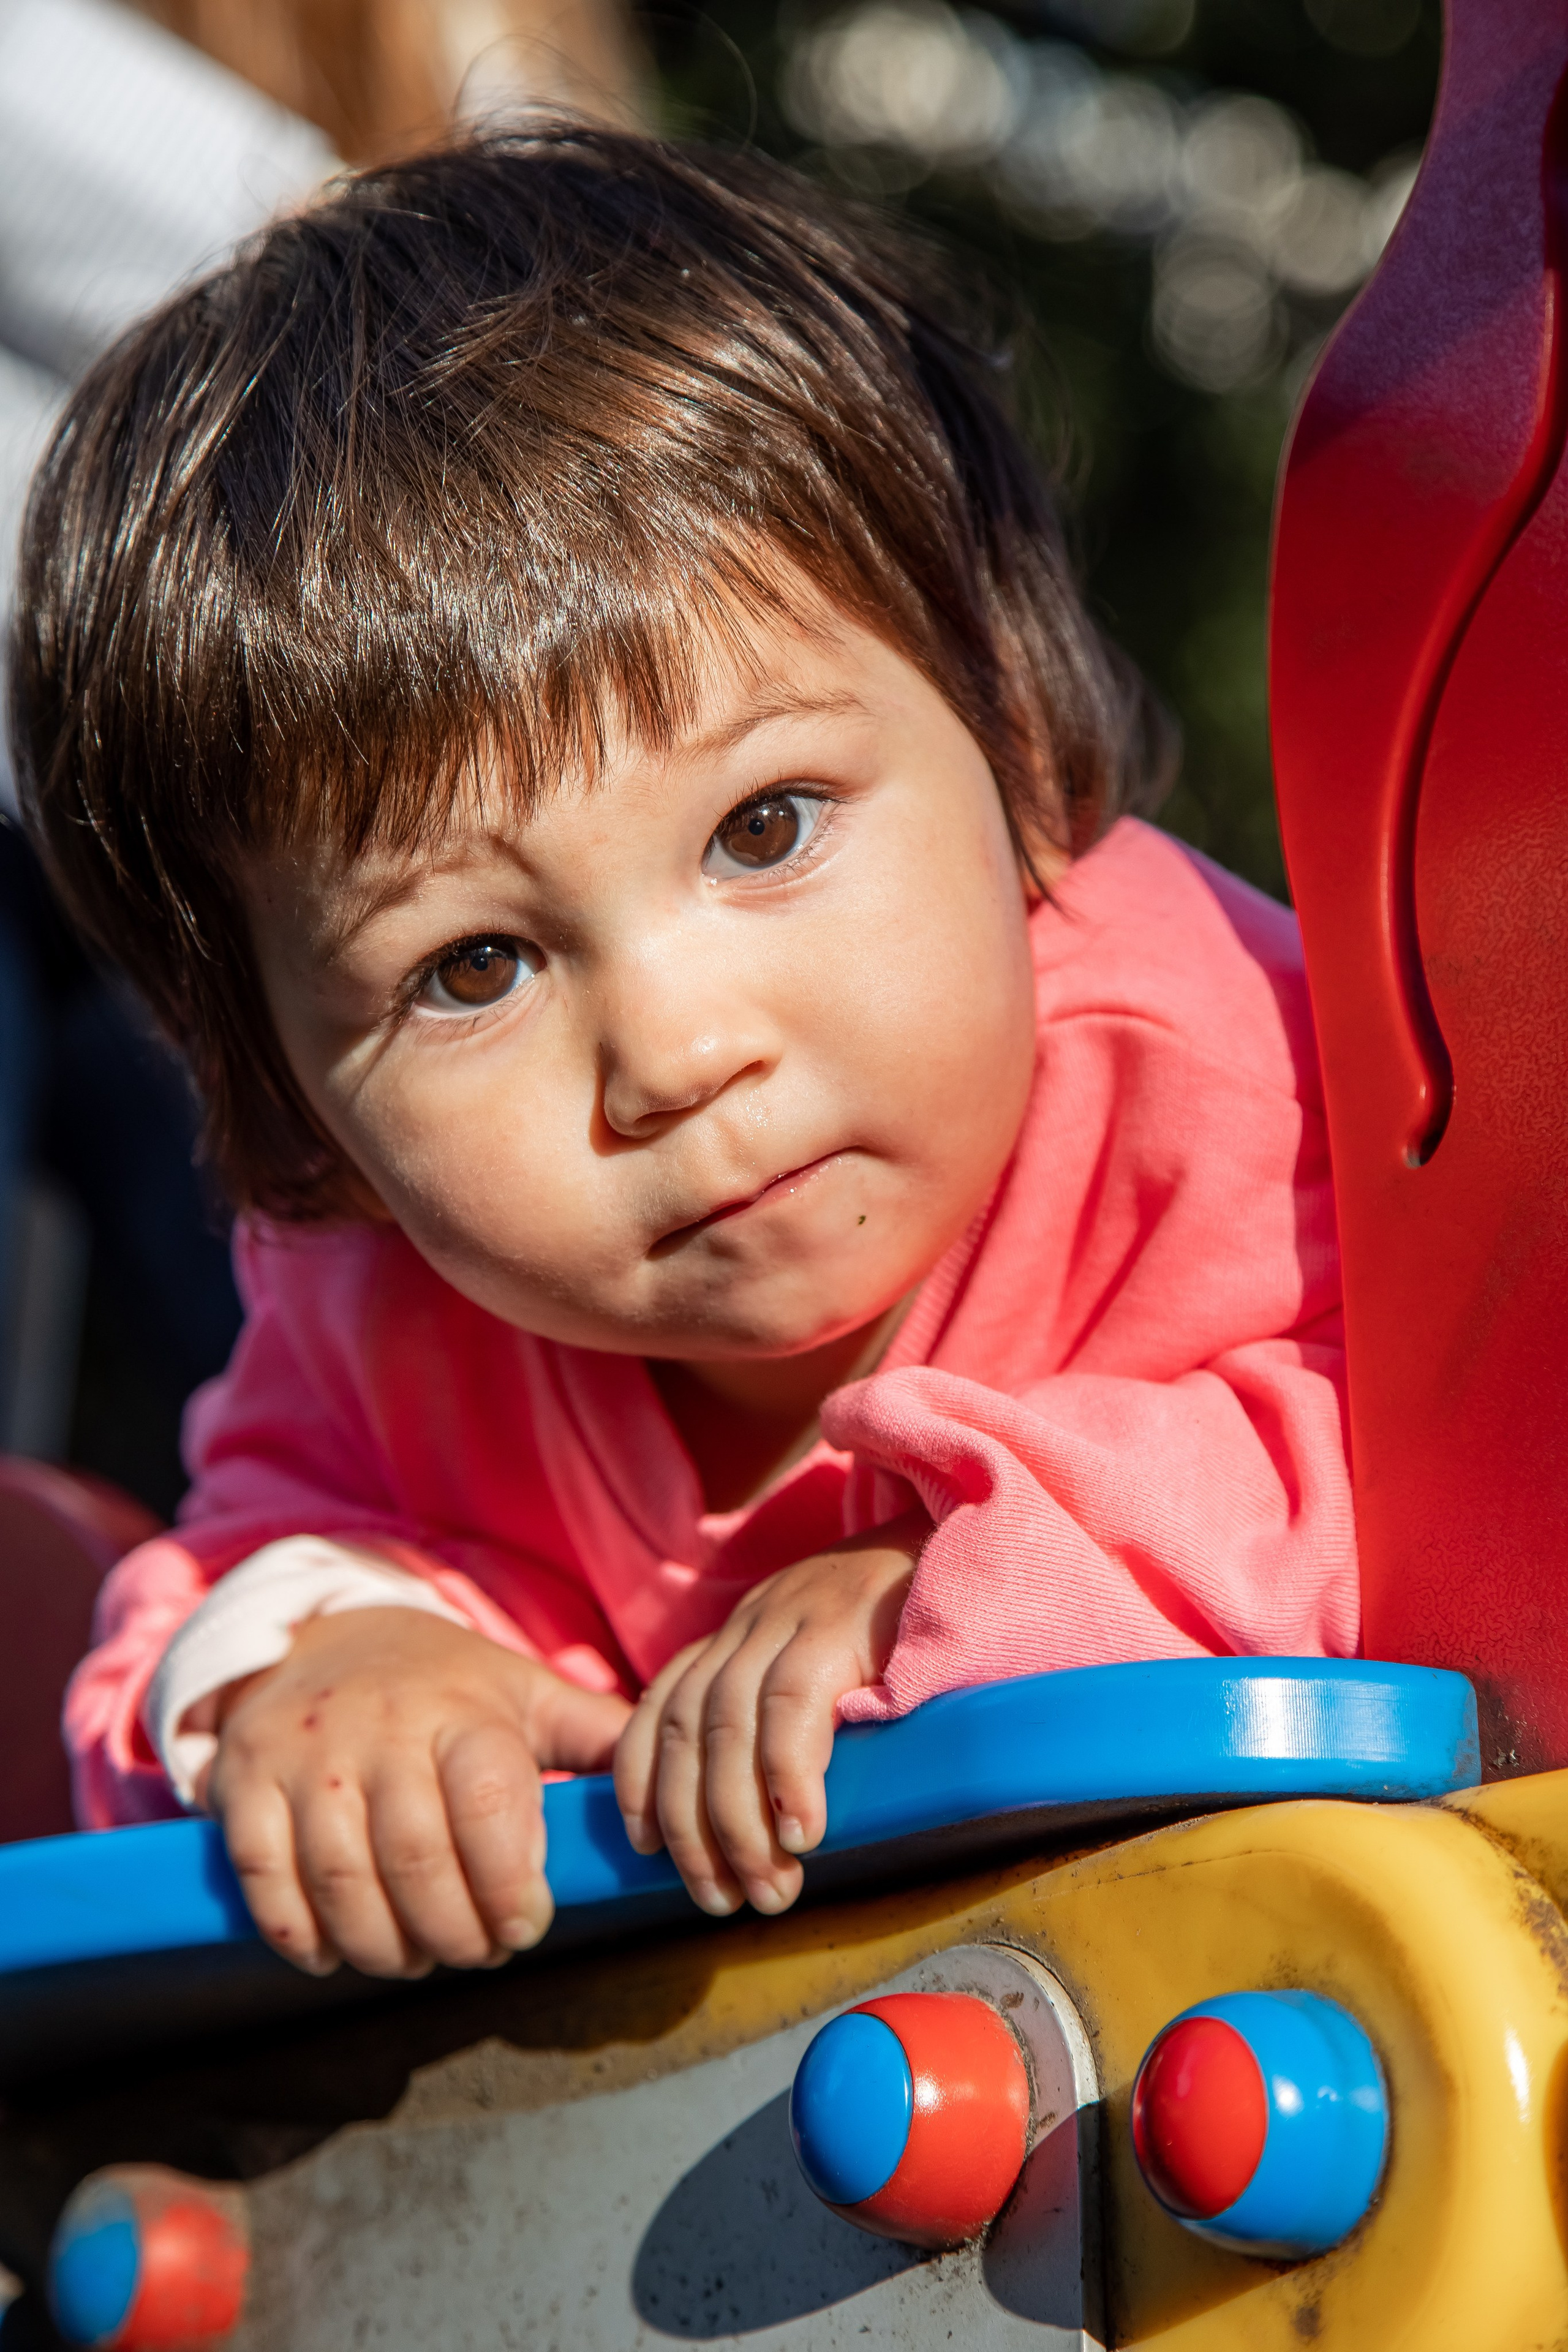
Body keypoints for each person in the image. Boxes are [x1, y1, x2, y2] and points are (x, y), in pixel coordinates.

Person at [8, 127, 1357, 1984]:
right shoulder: (385, 1310)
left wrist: (951, 1576)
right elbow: (229, 1586)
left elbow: (1429, 1455)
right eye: (472, 966)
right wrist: (335, 1665)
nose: (676, 1050)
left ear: (1020, 738)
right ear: (293, 1116)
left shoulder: (1227, 1081)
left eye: (765, 828)